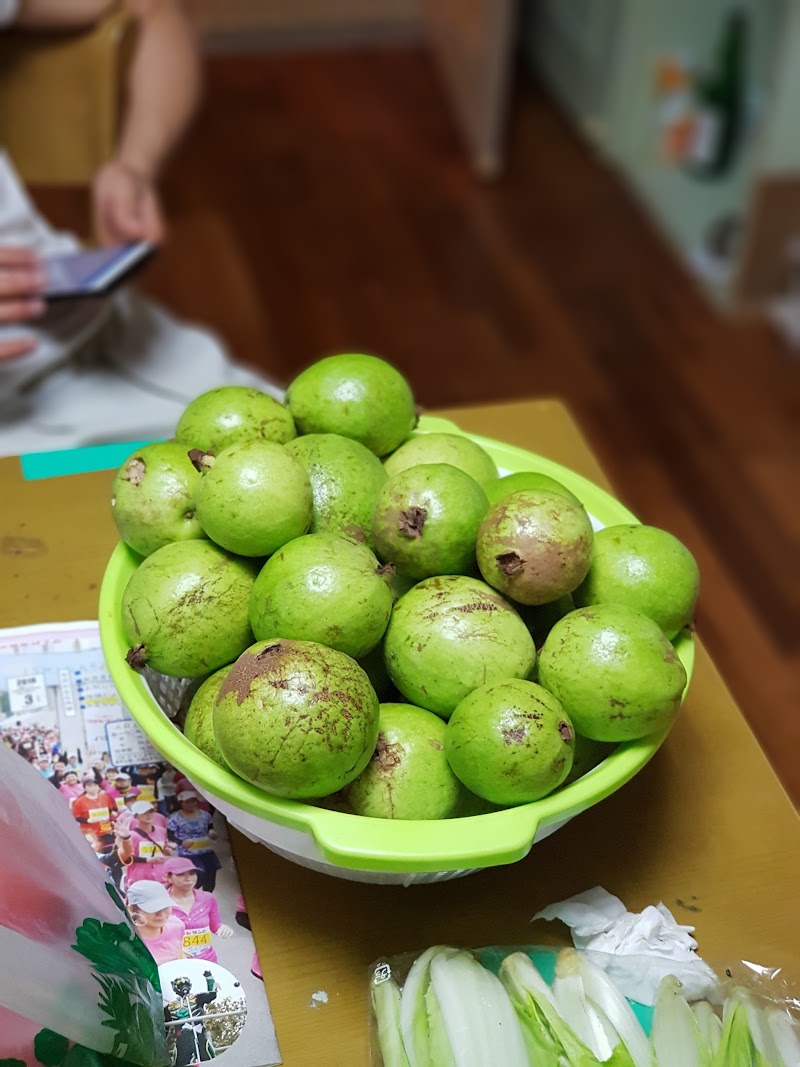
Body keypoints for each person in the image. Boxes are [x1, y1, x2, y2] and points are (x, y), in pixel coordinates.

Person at [0, 0, 280, 456]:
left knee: (306, 454)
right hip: (17, 426)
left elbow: (152, 8)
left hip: (101, 346)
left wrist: (134, 165)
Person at [162, 856, 232, 964]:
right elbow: (152, 936)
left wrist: (223, 928)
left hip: (207, 960)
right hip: (175, 962)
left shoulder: (208, 898)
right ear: (169, 877)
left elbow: (216, 926)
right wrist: (174, 950)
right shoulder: (160, 903)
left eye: (192, 873)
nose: (188, 878)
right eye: (181, 874)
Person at [167, 791, 221, 892]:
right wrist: (181, 842)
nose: (191, 804)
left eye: (193, 801)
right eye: (187, 802)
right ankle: (190, 893)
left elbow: (209, 827)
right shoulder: (175, 818)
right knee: (199, 874)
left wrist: (212, 832)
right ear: (181, 803)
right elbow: (170, 834)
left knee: (211, 874)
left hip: (206, 849)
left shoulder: (205, 815)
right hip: (188, 852)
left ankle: (206, 896)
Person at [163, 972, 218, 1066]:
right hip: (181, 1036)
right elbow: (165, 1027)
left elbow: (212, 994)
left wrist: (209, 977)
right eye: (180, 985)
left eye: (186, 984)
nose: (184, 987)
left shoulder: (197, 998)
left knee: (207, 1055)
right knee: (180, 1062)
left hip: (198, 1032)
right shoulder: (170, 1006)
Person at [116, 798, 175, 886]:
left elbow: (163, 848)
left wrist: (166, 851)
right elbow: (128, 858)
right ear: (136, 816)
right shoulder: (132, 836)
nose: (148, 815)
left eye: (150, 812)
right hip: (139, 877)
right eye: (144, 813)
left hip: (160, 876)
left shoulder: (162, 831)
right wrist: (148, 860)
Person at [126, 879, 185, 965]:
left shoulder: (177, 926)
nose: (161, 914)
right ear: (132, 910)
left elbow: (180, 955)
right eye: (153, 909)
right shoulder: (126, 940)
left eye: (165, 907)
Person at [71, 775, 116, 854]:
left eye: (95, 785)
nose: (93, 788)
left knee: (110, 853)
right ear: (85, 788)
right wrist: (87, 820)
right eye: (90, 786)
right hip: (91, 833)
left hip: (106, 830)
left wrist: (113, 813)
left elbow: (110, 809)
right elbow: (75, 817)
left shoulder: (105, 797)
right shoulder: (79, 801)